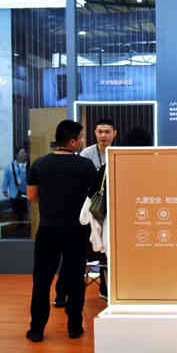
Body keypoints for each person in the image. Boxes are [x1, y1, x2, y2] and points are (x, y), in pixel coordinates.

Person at [26, 119, 97, 342]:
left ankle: (36, 329)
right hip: (77, 231)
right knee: (75, 279)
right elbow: (94, 197)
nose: (82, 142)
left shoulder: (39, 164)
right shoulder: (86, 166)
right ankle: (74, 327)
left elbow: (31, 196)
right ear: (73, 142)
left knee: (42, 280)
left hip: (48, 229)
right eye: (81, 138)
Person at [54, 118, 117, 308]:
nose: (103, 135)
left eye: (107, 131)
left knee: (108, 252)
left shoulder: (119, 153)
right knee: (74, 253)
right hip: (86, 211)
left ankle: (106, 289)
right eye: (100, 131)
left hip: (111, 212)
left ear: (114, 134)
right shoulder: (86, 154)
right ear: (95, 133)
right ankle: (62, 293)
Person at [1, 147, 28, 222]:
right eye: (22, 153)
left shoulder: (28, 166)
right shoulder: (9, 166)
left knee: (25, 212)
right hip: (14, 193)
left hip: (25, 192)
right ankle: (17, 225)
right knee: (15, 212)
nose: (24, 154)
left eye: (25, 153)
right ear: (17, 155)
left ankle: (24, 225)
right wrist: (4, 190)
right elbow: (6, 178)